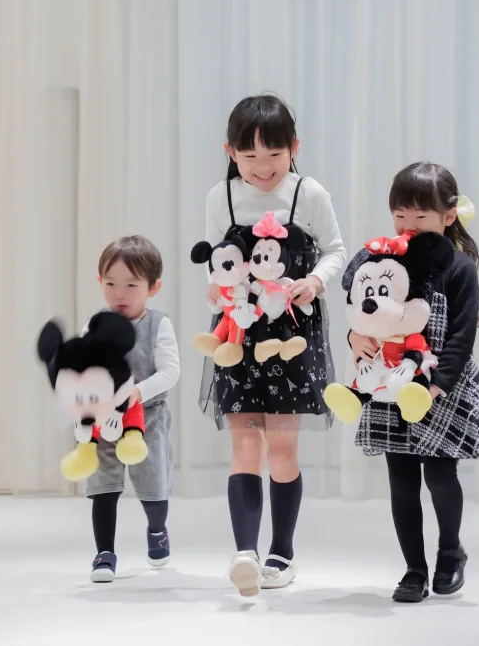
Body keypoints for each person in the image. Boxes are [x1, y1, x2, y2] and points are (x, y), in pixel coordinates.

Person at [199, 94, 347, 596]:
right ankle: (245, 553)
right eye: (249, 156)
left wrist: (316, 282)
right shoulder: (221, 197)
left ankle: (281, 553)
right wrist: (216, 288)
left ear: (294, 148)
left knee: (282, 449)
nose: (262, 167)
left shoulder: (309, 194)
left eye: (275, 155)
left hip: (291, 337)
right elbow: (216, 259)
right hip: (239, 336)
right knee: (245, 446)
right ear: (230, 152)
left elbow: (335, 250)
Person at [349, 162, 479, 603]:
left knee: (440, 474)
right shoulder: (382, 260)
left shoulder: (460, 269)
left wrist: (434, 387)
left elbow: (461, 338)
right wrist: (355, 338)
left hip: (439, 387)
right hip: (391, 386)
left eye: (420, 216)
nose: (407, 225)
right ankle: (414, 569)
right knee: (401, 480)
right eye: (399, 215)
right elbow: (361, 307)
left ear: (448, 216)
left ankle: (450, 551)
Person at [84, 235, 181, 582]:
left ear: (153, 287)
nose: (119, 294)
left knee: (152, 484)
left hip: (148, 418)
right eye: (110, 284)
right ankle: (104, 554)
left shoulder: (158, 324)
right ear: (99, 281)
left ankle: (157, 529)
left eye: (131, 285)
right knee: (103, 485)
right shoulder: (96, 323)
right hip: (105, 419)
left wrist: (138, 392)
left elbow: (170, 372)